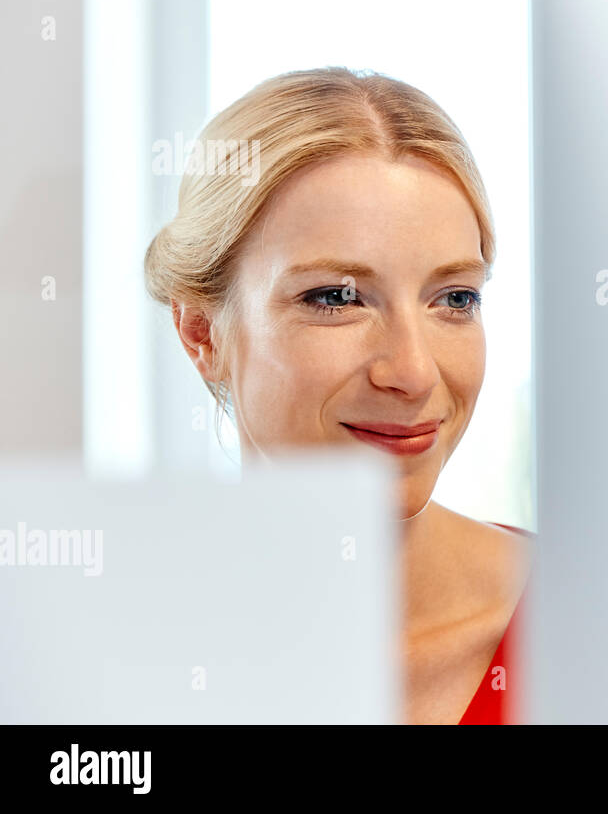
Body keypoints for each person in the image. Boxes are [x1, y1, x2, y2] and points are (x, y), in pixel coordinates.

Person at [144, 67, 533, 723]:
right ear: (201, 331)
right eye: (335, 298)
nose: (412, 372)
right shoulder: (100, 654)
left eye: (454, 298)